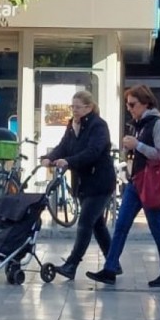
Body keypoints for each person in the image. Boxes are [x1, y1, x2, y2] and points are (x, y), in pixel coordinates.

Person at [86, 85, 160, 288]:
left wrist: (138, 145)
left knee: (156, 228)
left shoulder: (157, 124)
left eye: (133, 104)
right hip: (137, 181)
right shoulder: (141, 124)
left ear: (146, 103)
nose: (129, 108)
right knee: (121, 226)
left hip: (150, 182)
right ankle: (110, 268)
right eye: (128, 104)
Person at [41, 89, 114, 280]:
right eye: (72, 106)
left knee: (85, 222)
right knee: (98, 225)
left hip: (100, 181)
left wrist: (68, 161)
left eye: (77, 107)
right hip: (84, 182)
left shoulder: (98, 126)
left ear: (89, 107)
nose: (74, 110)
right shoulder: (73, 125)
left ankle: (71, 264)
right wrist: (50, 158)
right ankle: (113, 264)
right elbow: (63, 146)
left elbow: (93, 151)